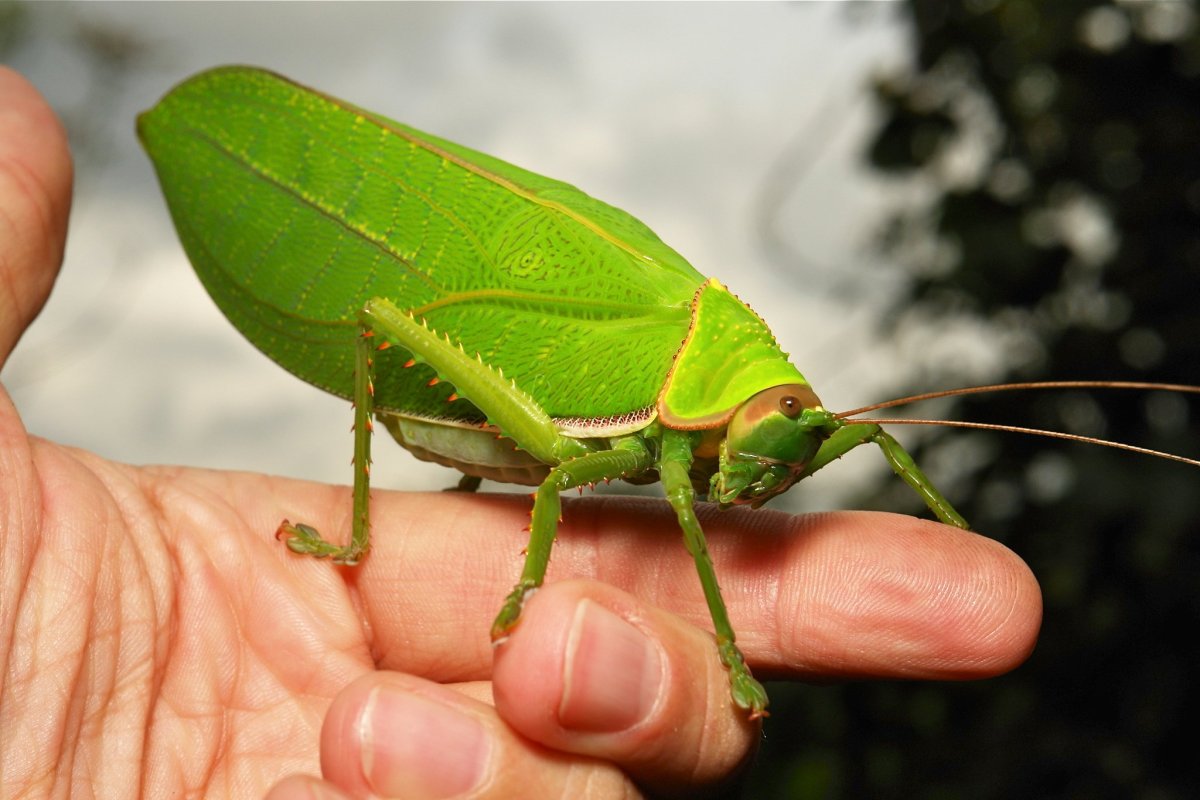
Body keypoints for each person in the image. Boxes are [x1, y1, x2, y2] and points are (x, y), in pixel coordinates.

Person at [0, 65, 1042, 799]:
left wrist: (947, 528)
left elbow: (879, 441)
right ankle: (356, 538)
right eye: (781, 420)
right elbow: (563, 479)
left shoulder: (751, 398)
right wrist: (729, 654)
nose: (785, 451)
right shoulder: (679, 419)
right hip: (503, 392)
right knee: (381, 319)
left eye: (791, 427)